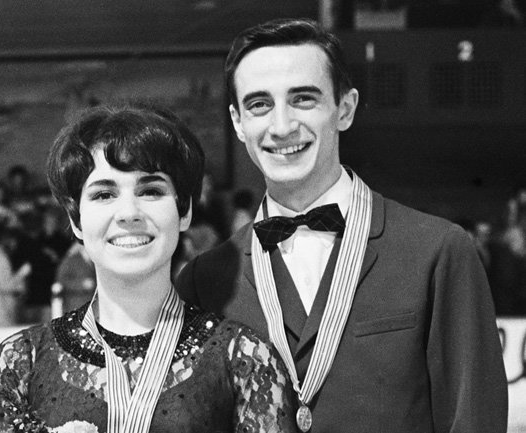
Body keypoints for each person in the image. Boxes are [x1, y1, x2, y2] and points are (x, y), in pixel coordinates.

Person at [176, 18, 507, 433]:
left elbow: (474, 420)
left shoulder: (438, 252)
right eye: (260, 105)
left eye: (303, 99)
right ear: (238, 122)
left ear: (345, 110)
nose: (282, 126)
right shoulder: (204, 281)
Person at [0, 104, 297, 433]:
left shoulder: (244, 359)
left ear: (184, 211)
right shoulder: (23, 360)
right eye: (104, 194)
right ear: (76, 220)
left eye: (150, 191)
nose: (128, 213)